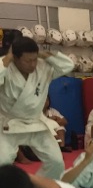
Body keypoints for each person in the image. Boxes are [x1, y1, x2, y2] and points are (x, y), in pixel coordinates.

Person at [0, 36, 74, 179]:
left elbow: (68, 65)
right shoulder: (7, 67)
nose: (33, 64)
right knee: (2, 163)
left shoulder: (42, 66)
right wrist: (7, 58)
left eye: (35, 59)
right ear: (15, 58)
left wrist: (43, 55)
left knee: (56, 162)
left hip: (36, 122)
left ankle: (41, 187)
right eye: (28, 61)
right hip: (9, 124)